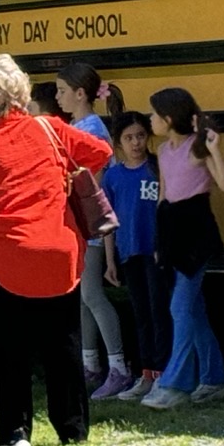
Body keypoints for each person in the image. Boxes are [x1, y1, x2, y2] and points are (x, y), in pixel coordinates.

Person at [0, 55, 113, 446]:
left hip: (9, 257)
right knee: (65, 342)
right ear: (23, 94)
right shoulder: (51, 128)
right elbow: (100, 153)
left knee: (12, 348)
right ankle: (72, 430)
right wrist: (65, 175)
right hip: (59, 249)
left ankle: (14, 434)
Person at [141, 88, 224, 409]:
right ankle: (215, 378)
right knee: (193, 311)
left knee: (179, 308)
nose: (150, 120)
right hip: (172, 233)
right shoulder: (164, 151)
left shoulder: (197, 149)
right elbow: (163, 197)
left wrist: (215, 150)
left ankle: (175, 384)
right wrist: (158, 243)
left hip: (196, 235)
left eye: (154, 115)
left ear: (168, 118)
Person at [54, 60, 131, 398]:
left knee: (92, 296)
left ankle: (118, 368)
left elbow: (91, 181)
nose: (57, 97)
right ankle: (92, 365)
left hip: (91, 224)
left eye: (61, 91)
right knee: (83, 298)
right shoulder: (83, 125)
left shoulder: (90, 130)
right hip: (80, 224)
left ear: (80, 93)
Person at [98, 112, 168, 402]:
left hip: (155, 252)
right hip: (129, 252)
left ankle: (165, 373)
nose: (136, 142)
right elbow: (108, 221)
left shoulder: (156, 168)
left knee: (159, 311)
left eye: (140, 136)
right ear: (118, 143)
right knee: (140, 314)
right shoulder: (113, 176)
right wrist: (110, 261)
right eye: (129, 138)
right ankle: (146, 373)